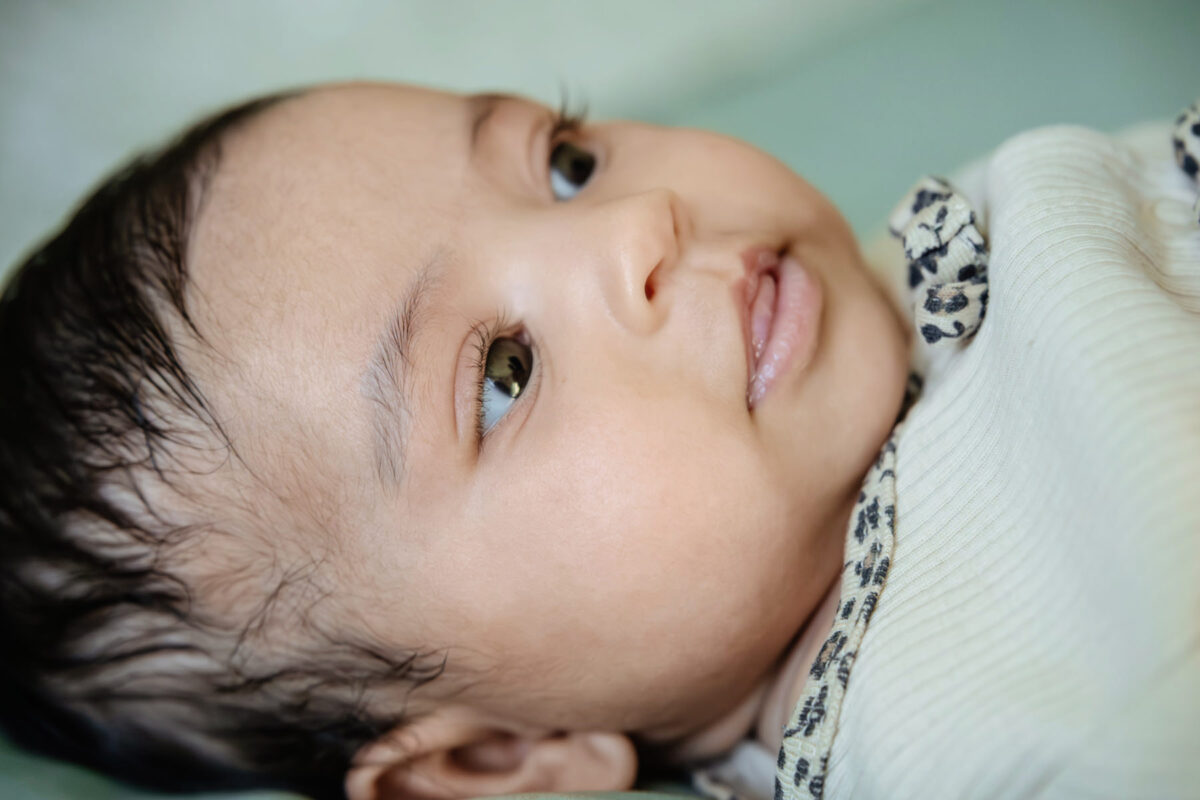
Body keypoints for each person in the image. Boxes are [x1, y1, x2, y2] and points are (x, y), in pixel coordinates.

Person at [0, 81, 1195, 800]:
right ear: (502, 755)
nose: (640, 225)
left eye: (565, 166)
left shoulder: (889, 290)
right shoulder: (1038, 712)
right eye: (503, 375)